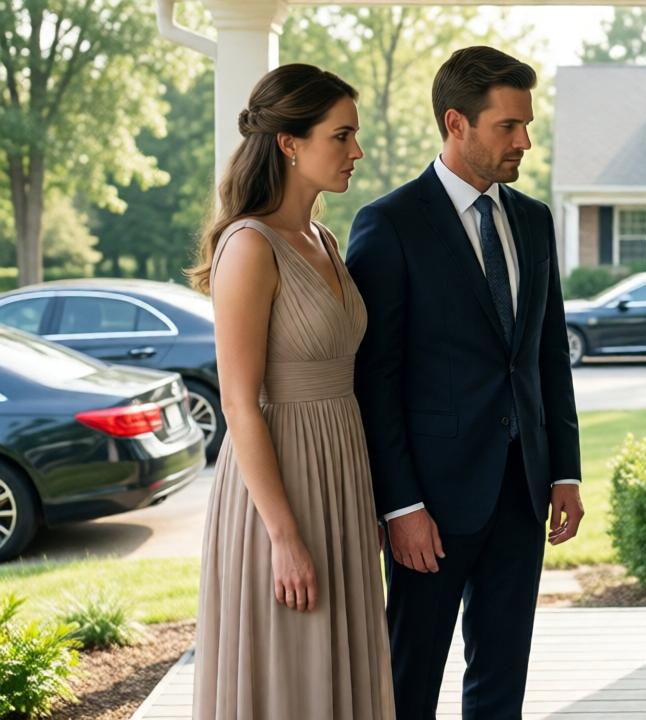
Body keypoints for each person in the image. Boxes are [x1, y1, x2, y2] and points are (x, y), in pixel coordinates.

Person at [345, 46, 585, 720]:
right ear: (456, 122)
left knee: (502, 674)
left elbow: (545, 358)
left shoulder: (534, 220)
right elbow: (376, 381)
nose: (525, 141)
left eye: (527, 125)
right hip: (432, 504)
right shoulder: (389, 225)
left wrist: (563, 471)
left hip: (522, 489)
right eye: (508, 126)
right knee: (409, 676)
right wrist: (400, 506)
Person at [191, 64, 393, 719]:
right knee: (288, 674)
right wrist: (283, 537)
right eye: (342, 136)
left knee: (340, 668)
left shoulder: (325, 240)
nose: (356, 152)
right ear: (290, 143)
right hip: (278, 491)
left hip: (340, 474)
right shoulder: (250, 246)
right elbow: (238, 403)